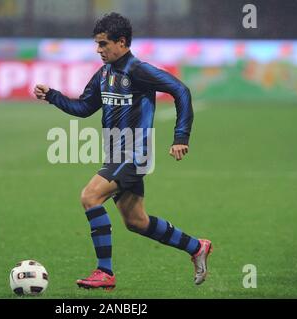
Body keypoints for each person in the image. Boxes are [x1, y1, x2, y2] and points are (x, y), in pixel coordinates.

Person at [34, 12, 212, 290]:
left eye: (104, 44)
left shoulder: (138, 70)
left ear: (122, 42)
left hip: (134, 154)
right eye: (97, 44)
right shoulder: (104, 74)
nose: (98, 50)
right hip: (115, 155)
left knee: (90, 196)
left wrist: (181, 136)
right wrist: (53, 96)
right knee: (136, 221)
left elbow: (181, 90)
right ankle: (196, 247)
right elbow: (83, 108)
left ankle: (105, 272)